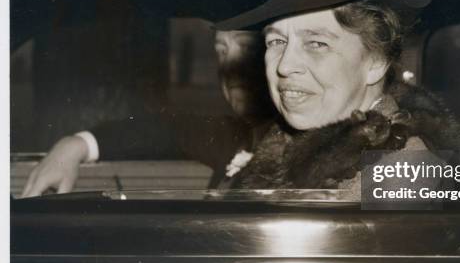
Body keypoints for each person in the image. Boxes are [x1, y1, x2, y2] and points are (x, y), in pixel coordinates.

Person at [211, 0, 460, 191]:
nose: (284, 66)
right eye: (276, 41)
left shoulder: (400, 175)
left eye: (317, 44)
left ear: (376, 62)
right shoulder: (284, 140)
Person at [21, 29, 275, 197]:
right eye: (221, 50)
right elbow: (164, 130)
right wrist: (73, 146)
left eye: (247, 48)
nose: (229, 66)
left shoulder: (302, 150)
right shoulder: (231, 135)